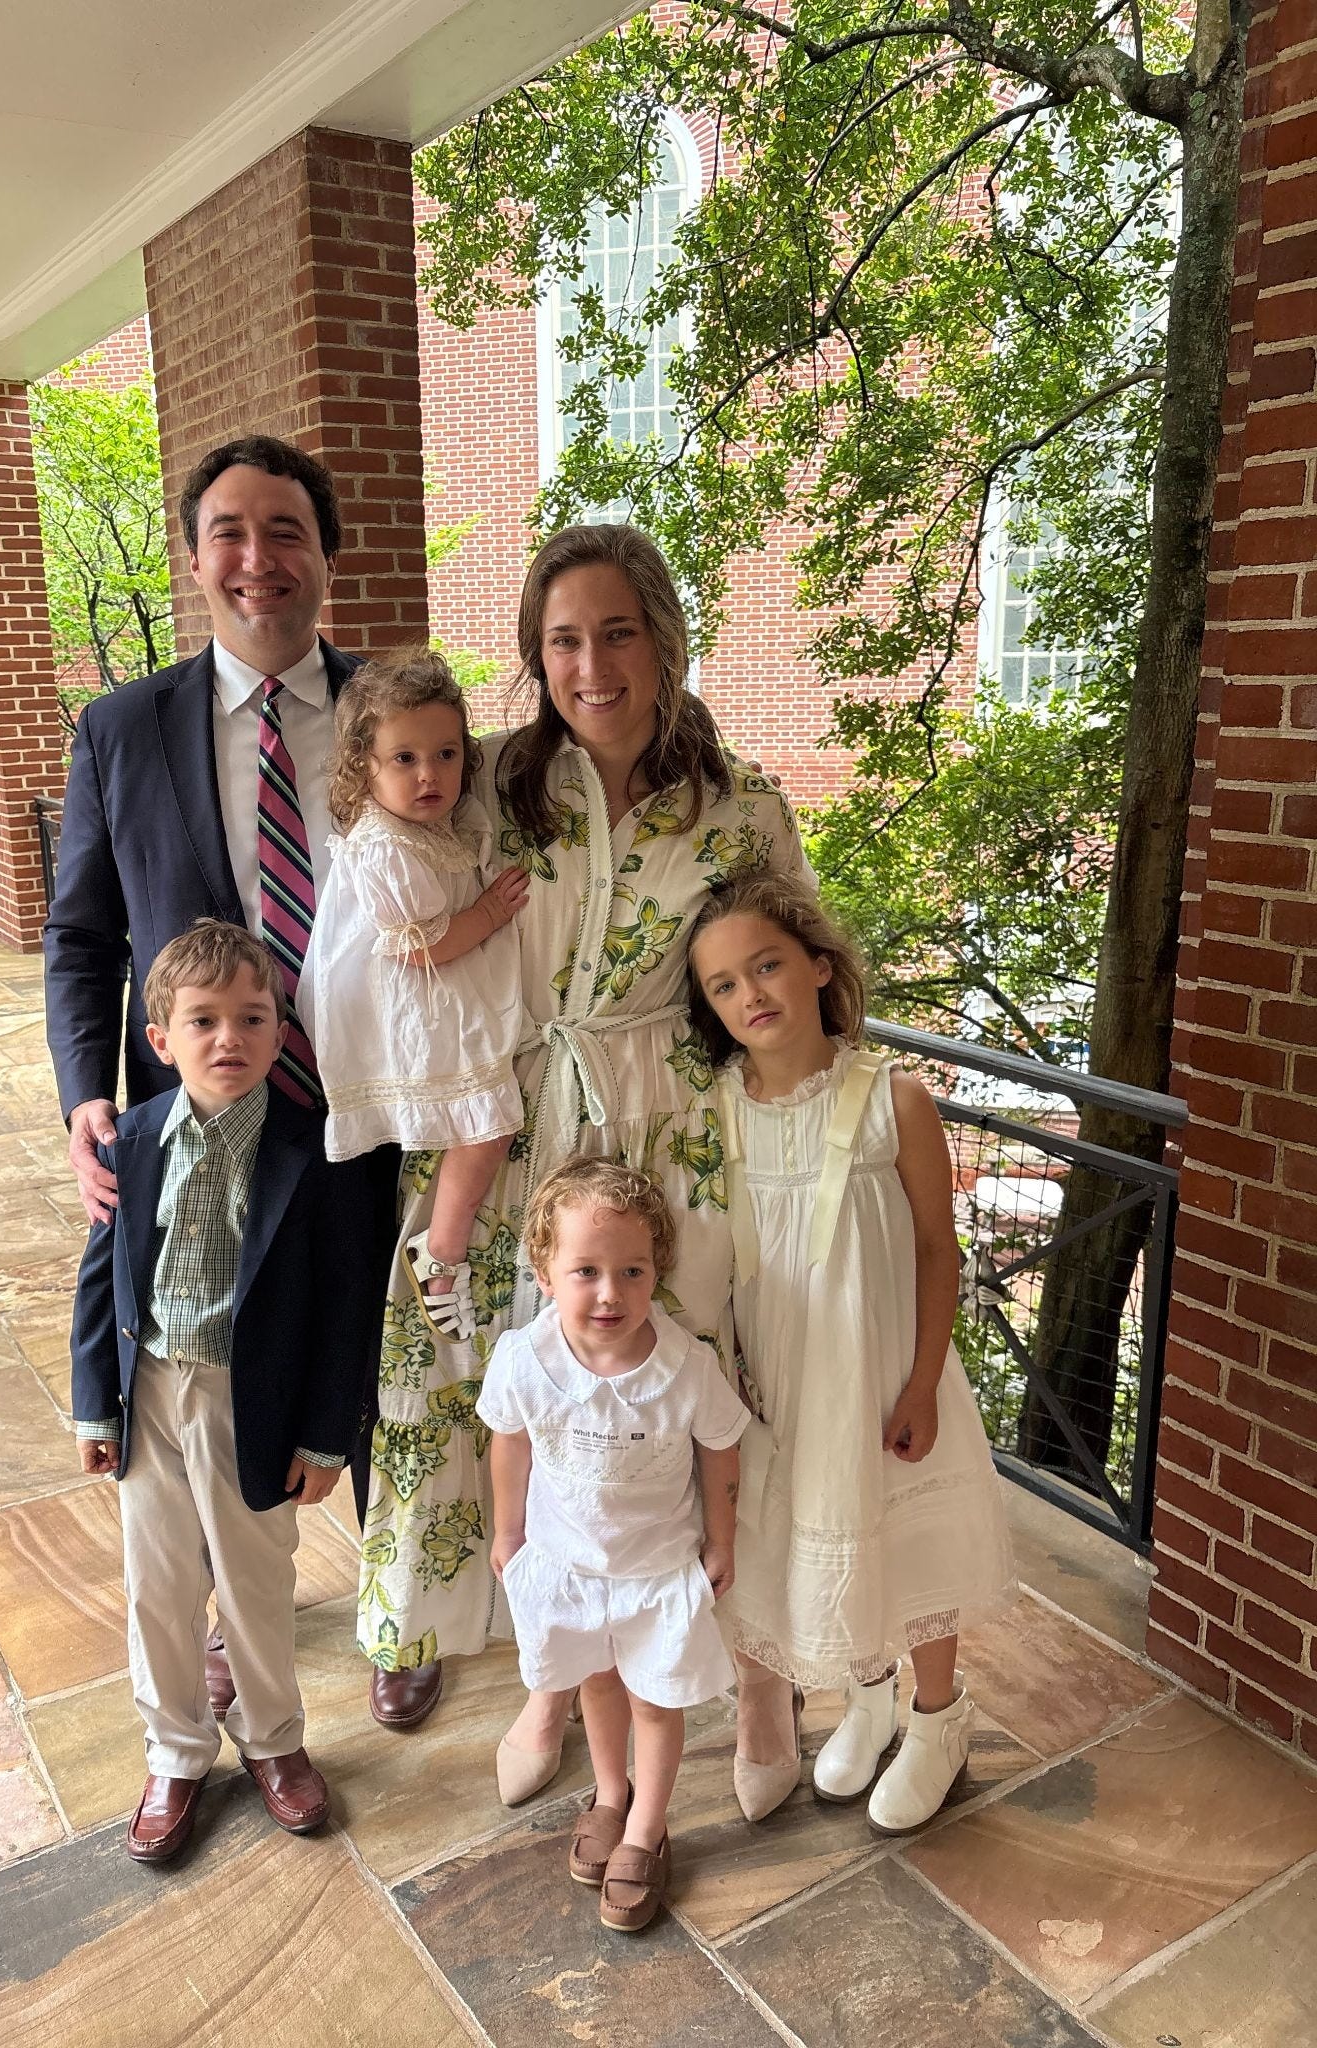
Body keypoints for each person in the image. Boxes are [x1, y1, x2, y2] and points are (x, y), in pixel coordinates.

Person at [356, 522, 810, 1768]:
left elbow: (795, 969)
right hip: (501, 1124)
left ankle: (757, 1670)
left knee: (685, 1396)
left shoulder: (740, 807)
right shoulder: (486, 782)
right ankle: (549, 1679)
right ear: (534, 653)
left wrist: (824, 1128)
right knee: (491, 1392)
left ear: (665, 639)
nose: (592, 665)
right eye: (563, 639)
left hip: (667, 1134)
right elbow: (377, 884)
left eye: (618, 632)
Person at [43, 433, 396, 1722]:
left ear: (326, 554)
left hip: (366, 1107)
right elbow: (82, 936)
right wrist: (87, 1091)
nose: (259, 558)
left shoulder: (394, 715)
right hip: (199, 1114)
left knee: (374, 1341)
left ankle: (402, 1600)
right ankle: (215, 1633)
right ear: (194, 558)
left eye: (286, 529)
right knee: (201, 1361)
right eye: (229, 532)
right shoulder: (119, 730)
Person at [685, 870, 1016, 1830]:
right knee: (832, 1535)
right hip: (785, 1380)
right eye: (723, 985)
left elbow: (936, 1249)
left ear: (820, 967)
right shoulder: (715, 1109)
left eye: (767, 967)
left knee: (910, 1541)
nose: (750, 995)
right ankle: (868, 1702)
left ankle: (939, 1718)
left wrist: (922, 1384)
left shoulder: (892, 1100)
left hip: (882, 1371)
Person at [70, 921, 388, 1862]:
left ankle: (274, 1739)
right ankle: (174, 1752)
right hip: (150, 1395)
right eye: (202, 1020)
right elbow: (101, 1281)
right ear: (160, 1039)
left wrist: (325, 1437)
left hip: (253, 1404)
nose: (229, 1039)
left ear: (281, 1033)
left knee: (255, 1584)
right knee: (158, 1587)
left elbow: (344, 1307)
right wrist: (95, 1404)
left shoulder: (314, 1152)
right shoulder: (130, 1142)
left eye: (252, 1018)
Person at [479, 1159, 748, 1932]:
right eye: (586, 1271)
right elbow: (509, 1445)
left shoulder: (685, 1367)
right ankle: (610, 1793)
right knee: (596, 1682)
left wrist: (721, 1540)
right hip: (570, 1566)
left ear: (657, 1270)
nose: (610, 1293)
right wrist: (509, 1531)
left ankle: (645, 1831)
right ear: (545, 1273)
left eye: (632, 1271)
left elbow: (721, 1447)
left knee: (654, 1701)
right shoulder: (525, 1360)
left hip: (656, 1572)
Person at [305, 646, 528, 1338]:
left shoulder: (432, 827)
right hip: (419, 1009)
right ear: (364, 766)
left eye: (447, 755)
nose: (430, 774)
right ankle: (441, 1252)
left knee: (486, 1125)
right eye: (404, 759)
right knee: (490, 1124)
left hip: (444, 999)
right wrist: (489, 913)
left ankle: (444, 1244)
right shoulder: (386, 846)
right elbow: (416, 943)